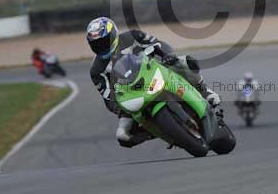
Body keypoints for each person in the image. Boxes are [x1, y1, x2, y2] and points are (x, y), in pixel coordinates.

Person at [86, 17, 222, 148]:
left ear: (113, 34)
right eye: (96, 44)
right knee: (123, 136)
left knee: (185, 62)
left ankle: (205, 91)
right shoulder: (97, 70)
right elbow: (107, 96)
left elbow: (158, 43)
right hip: (131, 95)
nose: (100, 46)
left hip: (153, 71)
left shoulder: (132, 36)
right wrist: (116, 106)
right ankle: (159, 131)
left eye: (103, 41)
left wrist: (167, 55)